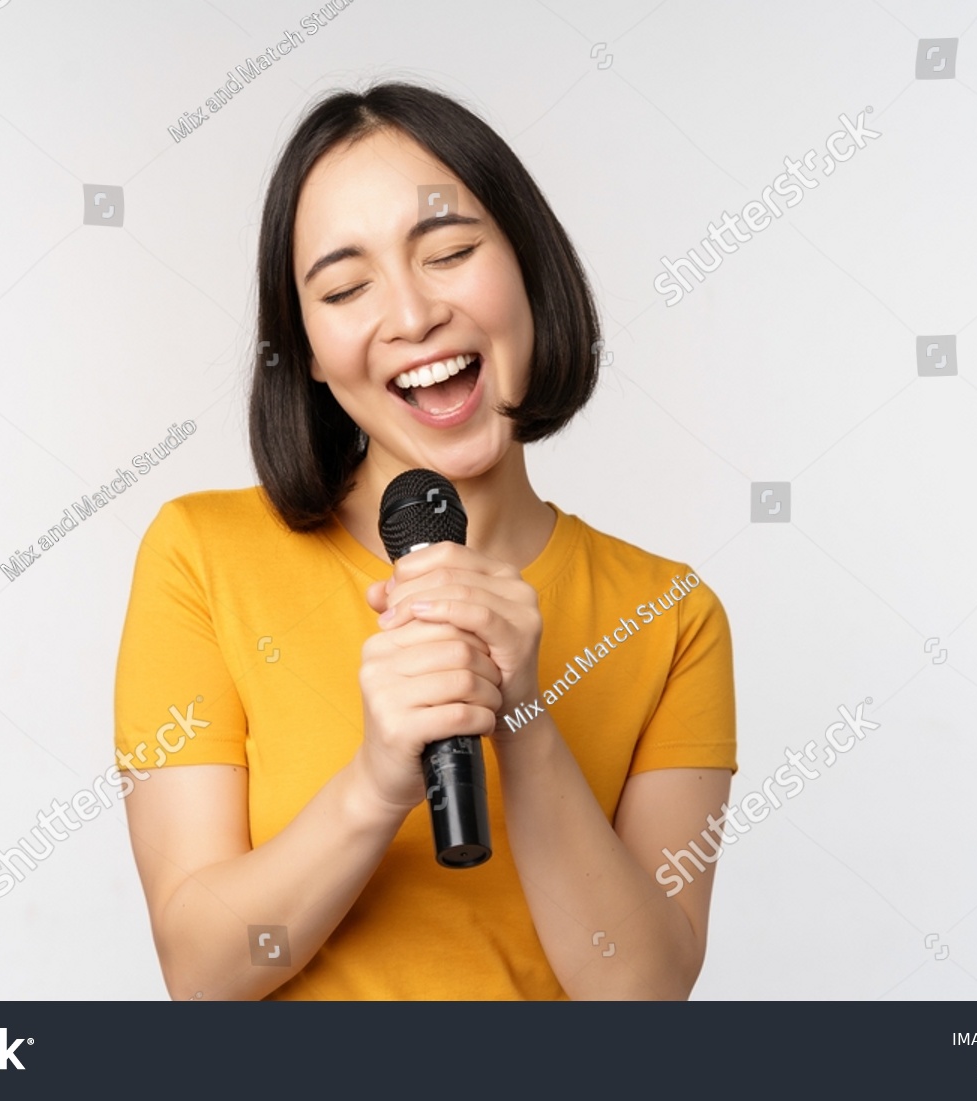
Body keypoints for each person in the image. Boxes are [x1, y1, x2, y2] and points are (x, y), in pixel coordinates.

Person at [114, 81, 736, 1000]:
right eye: (346, 286)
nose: (410, 316)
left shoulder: (670, 615)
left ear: (528, 265)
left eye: (447, 252)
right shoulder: (201, 555)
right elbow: (202, 972)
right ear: (312, 353)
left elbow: (640, 997)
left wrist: (522, 715)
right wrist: (372, 785)